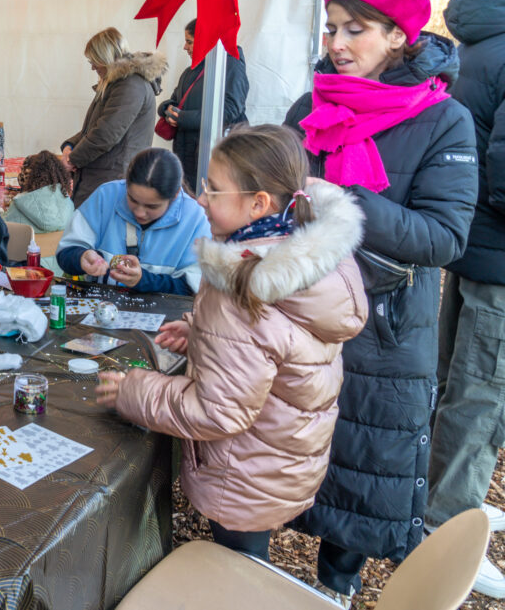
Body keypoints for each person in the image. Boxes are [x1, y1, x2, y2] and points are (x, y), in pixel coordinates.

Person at [283, 0, 478, 604]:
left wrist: (349, 202)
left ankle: (336, 586)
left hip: (384, 326)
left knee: (365, 467)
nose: (336, 43)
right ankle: (252, 566)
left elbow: (444, 237)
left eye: (355, 30)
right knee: (287, 448)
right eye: (331, 28)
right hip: (300, 314)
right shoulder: (308, 106)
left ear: (398, 36)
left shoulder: (444, 120)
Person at [96, 125, 367, 561]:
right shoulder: (298, 252)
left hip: (245, 471)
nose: (202, 199)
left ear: (258, 204)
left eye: (215, 190)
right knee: (247, 555)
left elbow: (218, 411)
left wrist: (135, 391)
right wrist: (203, 333)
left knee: (239, 564)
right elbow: (273, 344)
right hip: (280, 455)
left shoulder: (242, 284)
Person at [426, 0, 505, 599]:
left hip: (478, 244)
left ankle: (444, 495)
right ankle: (446, 522)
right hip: (497, 253)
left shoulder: (486, 32)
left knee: (460, 380)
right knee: (481, 392)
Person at [56, 148, 210, 296]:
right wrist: (81, 257)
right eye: (132, 200)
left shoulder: (195, 219)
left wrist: (143, 280)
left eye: (152, 206)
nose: (139, 212)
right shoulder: (106, 196)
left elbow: (192, 288)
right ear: (126, 183)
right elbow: (65, 253)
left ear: (175, 195)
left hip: (167, 313)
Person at [61, 28, 166, 206]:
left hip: (111, 178)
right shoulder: (119, 84)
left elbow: (105, 133)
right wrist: (70, 146)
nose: (93, 67)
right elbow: (94, 128)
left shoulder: (130, 85)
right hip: (104, 175)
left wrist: (73, 159)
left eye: (94, 61)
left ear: (106, 57)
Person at [157, 18, 249, 186]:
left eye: (189, 42)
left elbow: (229, 110)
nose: (185, 47)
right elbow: (176, 100)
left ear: (204, 40)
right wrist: (166, 109)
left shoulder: (231, 65)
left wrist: (182, 118)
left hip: (215, 156)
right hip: (188, 155)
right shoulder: (191, 70)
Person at [5, 150, 74, 234]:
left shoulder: (18, 204)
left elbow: (3, 228)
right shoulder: (69, 205)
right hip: (58, 242)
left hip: (27, 242)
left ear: (30, 177)